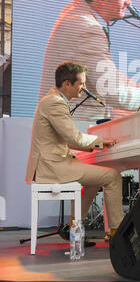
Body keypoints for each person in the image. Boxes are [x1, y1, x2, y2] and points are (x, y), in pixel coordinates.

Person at [38, 0, 140, 121]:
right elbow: (114, 91)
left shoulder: (76, 10)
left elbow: (107, 74)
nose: (129, 3)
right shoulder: (87, 28)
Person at [26, 61, 124, 245]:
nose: (84, 88)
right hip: (53, 167)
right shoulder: (55, 103)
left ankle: (74, 226)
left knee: (95, 181)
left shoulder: (52, 100)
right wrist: (101, 142)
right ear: (67, 84)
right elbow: (73, 138)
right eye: (81, 83)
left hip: (53, 163)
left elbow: (69, 138)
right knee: (113, 177)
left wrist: (95, 144)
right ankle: (116, 231)